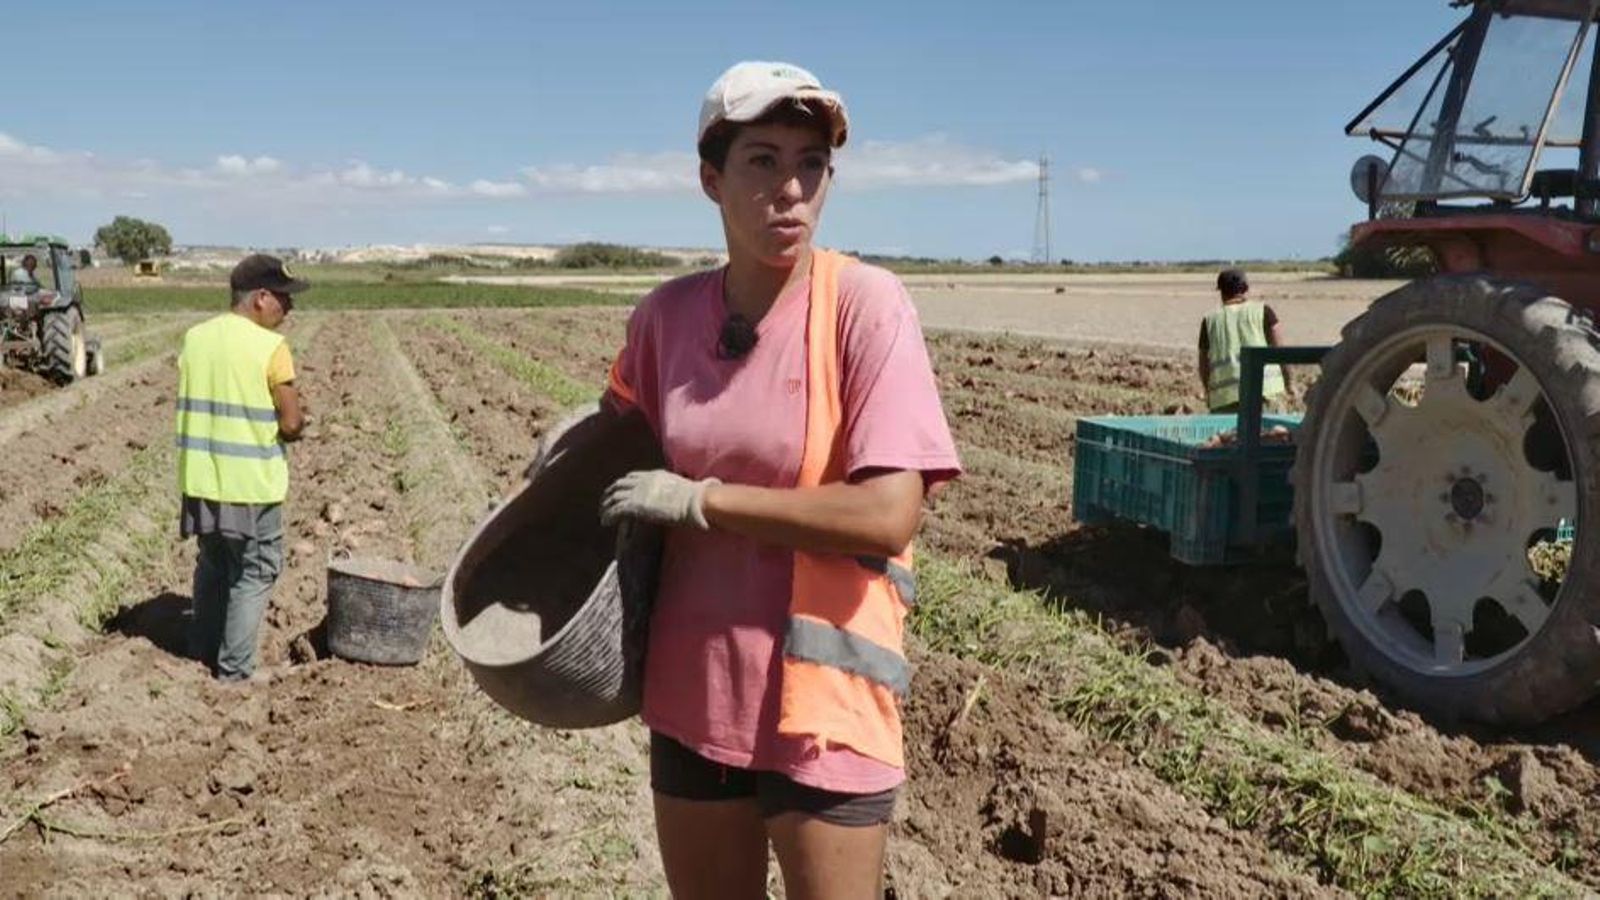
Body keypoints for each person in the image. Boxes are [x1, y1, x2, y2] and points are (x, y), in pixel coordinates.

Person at [595, 61, 961, 898]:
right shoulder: (665, 318)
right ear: (710, 179)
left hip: (824, 701)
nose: (790, 188)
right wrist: (570, 453)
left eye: (811, 163)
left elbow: (887, 512)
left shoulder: (864, 307)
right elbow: (615, 433)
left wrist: (703, 501)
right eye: (762, 161)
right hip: (695, 690)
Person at [175, 254, 308, 683]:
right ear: (260, 298)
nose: (289, 309)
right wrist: (295, 428)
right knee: (255, 572)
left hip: (201, 480)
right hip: (250, 485)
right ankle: (234, 673)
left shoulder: (196, 338)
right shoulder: (271, 347)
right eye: (284, 299)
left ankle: (203, 651)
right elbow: (290, 422)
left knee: (213, 565)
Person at [1198, 268, 1288, 413]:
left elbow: (1203, 364)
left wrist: (1208, 391)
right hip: (1265, 394)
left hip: (1224, 400)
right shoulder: (1263, 311)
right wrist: (1290, 383)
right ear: (1246, 289)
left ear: (1221, 292)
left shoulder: (1210, 321)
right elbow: (1281, 353)